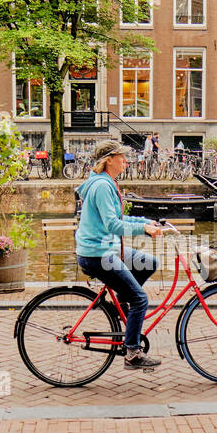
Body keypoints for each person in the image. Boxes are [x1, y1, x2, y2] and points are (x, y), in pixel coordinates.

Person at [75, 141, 164, 369]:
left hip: (107, 248)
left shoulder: (106, 183)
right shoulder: (103, 186)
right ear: (109, 160)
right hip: (99, 254)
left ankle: (123, 300)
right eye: (122, 157)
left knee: (149, 262)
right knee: (140, 298)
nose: (126, 161)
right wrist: (143, 230)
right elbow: (114, 225)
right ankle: (132, 353)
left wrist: (146, 222)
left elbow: (118, 218)